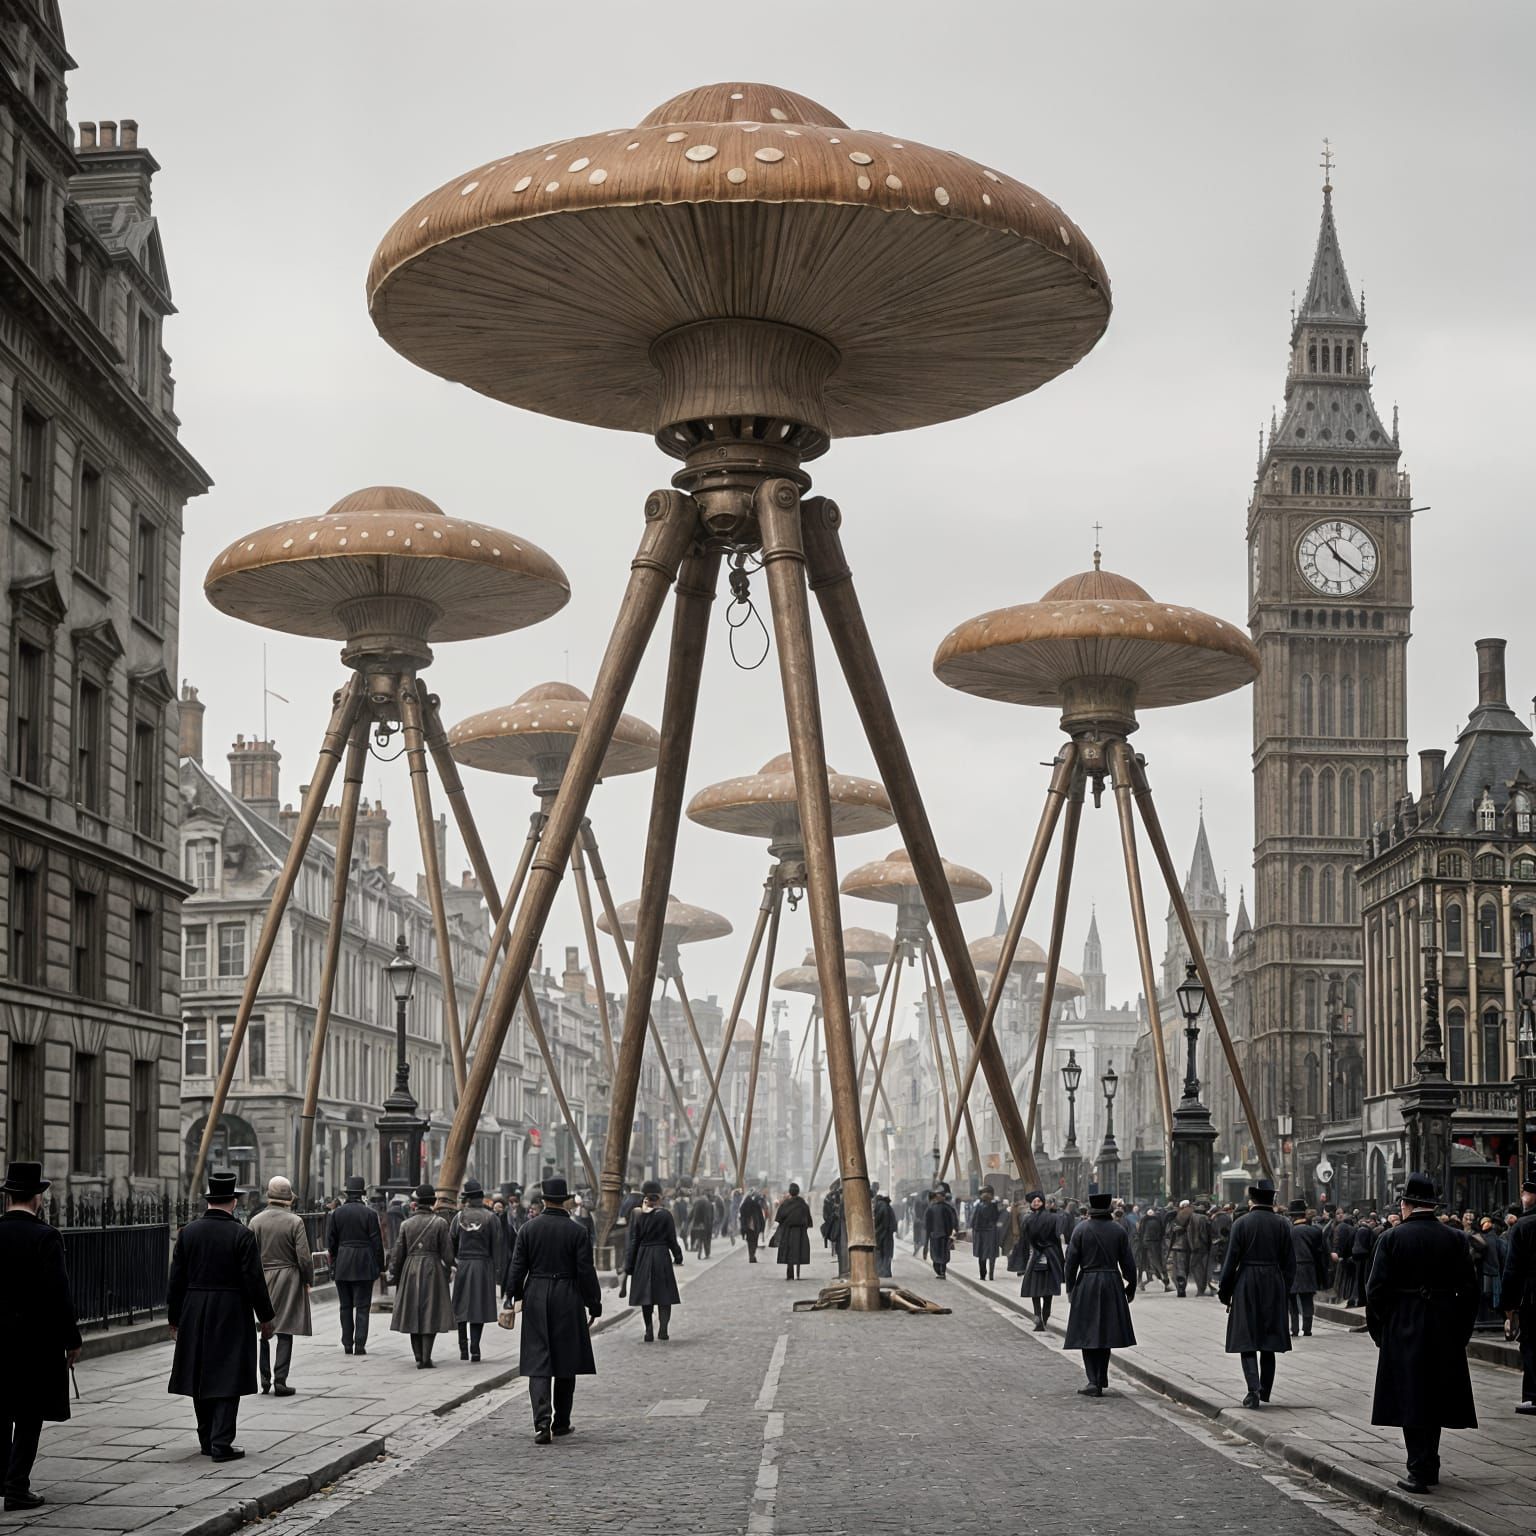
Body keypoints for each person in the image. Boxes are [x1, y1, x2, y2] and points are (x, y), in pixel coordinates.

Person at [1365, 1173, 1480, 1493]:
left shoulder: (1391, 1238)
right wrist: (1462, 1329)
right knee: (1436, 1394)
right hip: (1444, 1323)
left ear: (1405, 1204)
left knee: (1409, 1395)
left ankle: (1418, 1467)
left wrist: (1381, 1329)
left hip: (1404, 1322)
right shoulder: (1456, 1238)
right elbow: (1471, 1291)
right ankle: (1431, 1460)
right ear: (1432, 1205)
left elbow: (1375, 1291)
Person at [167, 1169, 275, 1462]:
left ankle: (206, 1439)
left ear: (209, 1201)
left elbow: (176, 1279)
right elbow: (254, 1280)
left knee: (200, 1372)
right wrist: (266, 1317)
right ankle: (221, 1442)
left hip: (194, 1308)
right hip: (230, 1310)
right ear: (234, 1202)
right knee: (228, 1374)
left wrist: (174, 1317)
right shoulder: (241, 1235)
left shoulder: (188, 1233)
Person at [0, 1162, 82, 1510]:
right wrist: (72, 1339)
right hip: (34, 1339)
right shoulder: (46, 1236)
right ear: (37, 1199)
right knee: (29, 1414)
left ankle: (4, 1478)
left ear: (8, 1198)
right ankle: (17, 1486)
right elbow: (57, 1292)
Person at [506, 1175, 602, 1444]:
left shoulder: (528, 1229)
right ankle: (561, 1422)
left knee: (538, 1361)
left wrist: (511, 1295)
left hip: (536, 1293)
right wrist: (594, 1303)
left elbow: (517, 1267)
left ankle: (541, 1423)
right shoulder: (577, 1231)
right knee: (565, 1360)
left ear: (544, 1199)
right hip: (568, 1296)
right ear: (566, 1200)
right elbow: (585, 1271)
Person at [1216, 1179, 1293, 1408]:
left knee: (1247, 1339)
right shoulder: (1283, 1224)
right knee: (1268, 1341)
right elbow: (1290, 1263)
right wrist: (1283, 1287)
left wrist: (1225, 1291)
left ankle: (1253, 1389)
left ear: (1253, 1200)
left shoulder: (1241, 1223)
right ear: (1272, 1199)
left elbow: (1230, 1262)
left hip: (1247, 1282)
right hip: (1273, 1282)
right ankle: (1266, 1389)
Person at [1063, 1191, 1136, 1397]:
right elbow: (1128, 1263)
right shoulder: (1118, 1231)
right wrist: (1131, 1285)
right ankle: (1101, 1377)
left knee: (1087, 1333)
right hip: (1112, 1282)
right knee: (1105, 1333)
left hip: (1087, 1283)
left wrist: (1070, 1288)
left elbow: (1071, 1263)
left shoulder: (1080, 1230)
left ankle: (1093, 1380)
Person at [249, 1176, 313, 1396]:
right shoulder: (295, 1222)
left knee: (265, 1329)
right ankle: (281, 1380)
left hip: (263, 1278)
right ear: (288, 1197)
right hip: (289, 1278)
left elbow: (249, 1257)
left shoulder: (256, 1221)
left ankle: (264, 1378)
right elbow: (304, 1257)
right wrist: (308, 1279)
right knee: (285, 1330)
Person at [388, 1184, 455, 1368]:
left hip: (410, 1269)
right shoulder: (440, 1223)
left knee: (412, 1312)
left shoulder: (406, 1224)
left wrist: (394, 1274)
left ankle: (418, 1356)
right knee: (430, 1313)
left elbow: (397, 1253)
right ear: (432, 1203)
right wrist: (449, 1269)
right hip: (433, 1269)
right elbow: (448, 1255)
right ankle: (426, 1357)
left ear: (416, 1204)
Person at [451, 1178, 507, 1363]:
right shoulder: (491, 1218)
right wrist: (497, 1271)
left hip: (464, 1265)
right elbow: (497, 1246)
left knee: (460, 1307)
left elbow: (451, 1243)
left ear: (466, 1198)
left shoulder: (458, 1218)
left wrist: (454, 1262)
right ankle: (475, 1348)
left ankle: (462, 1348)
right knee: (478, 1308)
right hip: (483, 1266)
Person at [327, 1174, 384, 1356]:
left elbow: (331, 1243)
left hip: (343, 1261)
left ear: (347, 1193)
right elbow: (377, 1243)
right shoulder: (370, 1214)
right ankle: (360, 1344)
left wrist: (335, 1263)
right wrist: (380, 1266)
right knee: (362, 1306)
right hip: (364, 1262)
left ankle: (347, 1343)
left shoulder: (337, 1214)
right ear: (362, 1193)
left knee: (345, 1306)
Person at [623, 1180, 682, 1342]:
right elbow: (672, 1239)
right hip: (661, 1255)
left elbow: (633, 1241)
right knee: (665, 1296)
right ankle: (663, 1329)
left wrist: (630, 1264)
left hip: (643, 1256)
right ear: (659, 1197)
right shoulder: (665, 1214)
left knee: (646, 1297)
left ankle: (648, 1330)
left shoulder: (637, 1214)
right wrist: (678, 1255)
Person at [1501, 1178, 1536, 1414]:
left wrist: (1509, 1308)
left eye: (1525, 1192)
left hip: (1532, 1297)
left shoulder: (1523, 1226)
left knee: (1531, 1344)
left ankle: (1533, 1396)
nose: (1522, 1197)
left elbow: (1512, 1269)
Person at [1020, 1191, 1065, 1331]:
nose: (1036, 1202)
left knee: (1035, 1290)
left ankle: (1038, 1316)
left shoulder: (1027, 1219)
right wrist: (1061, 1260)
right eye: (1034, 1200)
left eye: (1037, 1200)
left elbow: (1024, 1241)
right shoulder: (1053, 1218)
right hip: (1051, 1255)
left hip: (1036, 1255)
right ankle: (1045, 1317)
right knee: (1048, 1290)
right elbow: (1057, 1239)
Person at [1286, 1199, 1328, 1338]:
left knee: (1292, 1302)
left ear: (1292, 1216)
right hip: (1309, 1268)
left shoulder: (1288, 1232)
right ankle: (1307, 1329)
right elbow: (1320, 1253)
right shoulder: (1315, 1231)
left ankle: (1294, 1329)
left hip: (1292, 1269)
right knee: (1307, 1300)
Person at [772, 1183, 813, 1281]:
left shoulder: (785, 1204)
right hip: (800, 1232)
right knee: (799, 1250)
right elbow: (808, 1220)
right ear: (798, 1192)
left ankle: (789, 1272)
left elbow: (779, 1218)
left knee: (788, 1252)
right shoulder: (803, 1204)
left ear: (790, 1192)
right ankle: (797, 1272)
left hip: (788, 1231)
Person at [970, 1186, 1002, 1280]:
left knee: (982, 1255)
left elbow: (974, 1221)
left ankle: (983, 1275)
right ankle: (989, 1275)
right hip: (990, 1232)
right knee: (990, 1255)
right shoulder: (994, 1205)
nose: (986, 1195)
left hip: (982, 1233)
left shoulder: (979, 1205)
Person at [925, 1188, 958, 1280]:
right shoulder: (932, 1208)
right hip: (938, 1235)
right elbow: (928, 1223)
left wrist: (953, 1232)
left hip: (942, 1236)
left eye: (941, 1196)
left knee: (940, 1255)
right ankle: (940, 1271)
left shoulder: (946, 1208)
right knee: (938, 1255)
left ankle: (941, 1271)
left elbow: (954, 1221)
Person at [1138, 1201, 1168, 1290]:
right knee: (1158, 1263)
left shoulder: (1144, 1220)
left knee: (1143, 1264)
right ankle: (1165, 1281)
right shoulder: (1158, 1220)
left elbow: (1140, 1232)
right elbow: (1162, 1232)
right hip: (1155, 1244)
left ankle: (1141, 1282)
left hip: (1145, 1244)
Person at [872, 1188, 897, 1279]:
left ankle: (882, 1272)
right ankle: (886, 1271)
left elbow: (878, 1220)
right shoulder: (887, 1206)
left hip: (882, 1233)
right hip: (887, 1234)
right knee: (887, 1253)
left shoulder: (880, 1206)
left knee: (881, 1253)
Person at [739, 1185, 767, 1262]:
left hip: (748, 1226)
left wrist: (742, 1228)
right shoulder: (756, 1204)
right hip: (755, 1226)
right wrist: (762, 1227)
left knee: (750, 1242)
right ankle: (752, 1256)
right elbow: (760, 1216)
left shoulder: (744, 1205)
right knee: (754, 1241)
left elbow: (742, 1217)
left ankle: (751, 1256)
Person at [688, 1188, 715, 1261]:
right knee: (707, 1239)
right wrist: (710, 1226)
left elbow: (691, 1213)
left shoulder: (697, 1202)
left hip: (696, 1224)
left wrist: (689, 1221)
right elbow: (710, 1217)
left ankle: (695, 1246)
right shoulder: (709, 1204)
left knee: (697, 1236)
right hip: (705, 1224)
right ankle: (707, 1253)